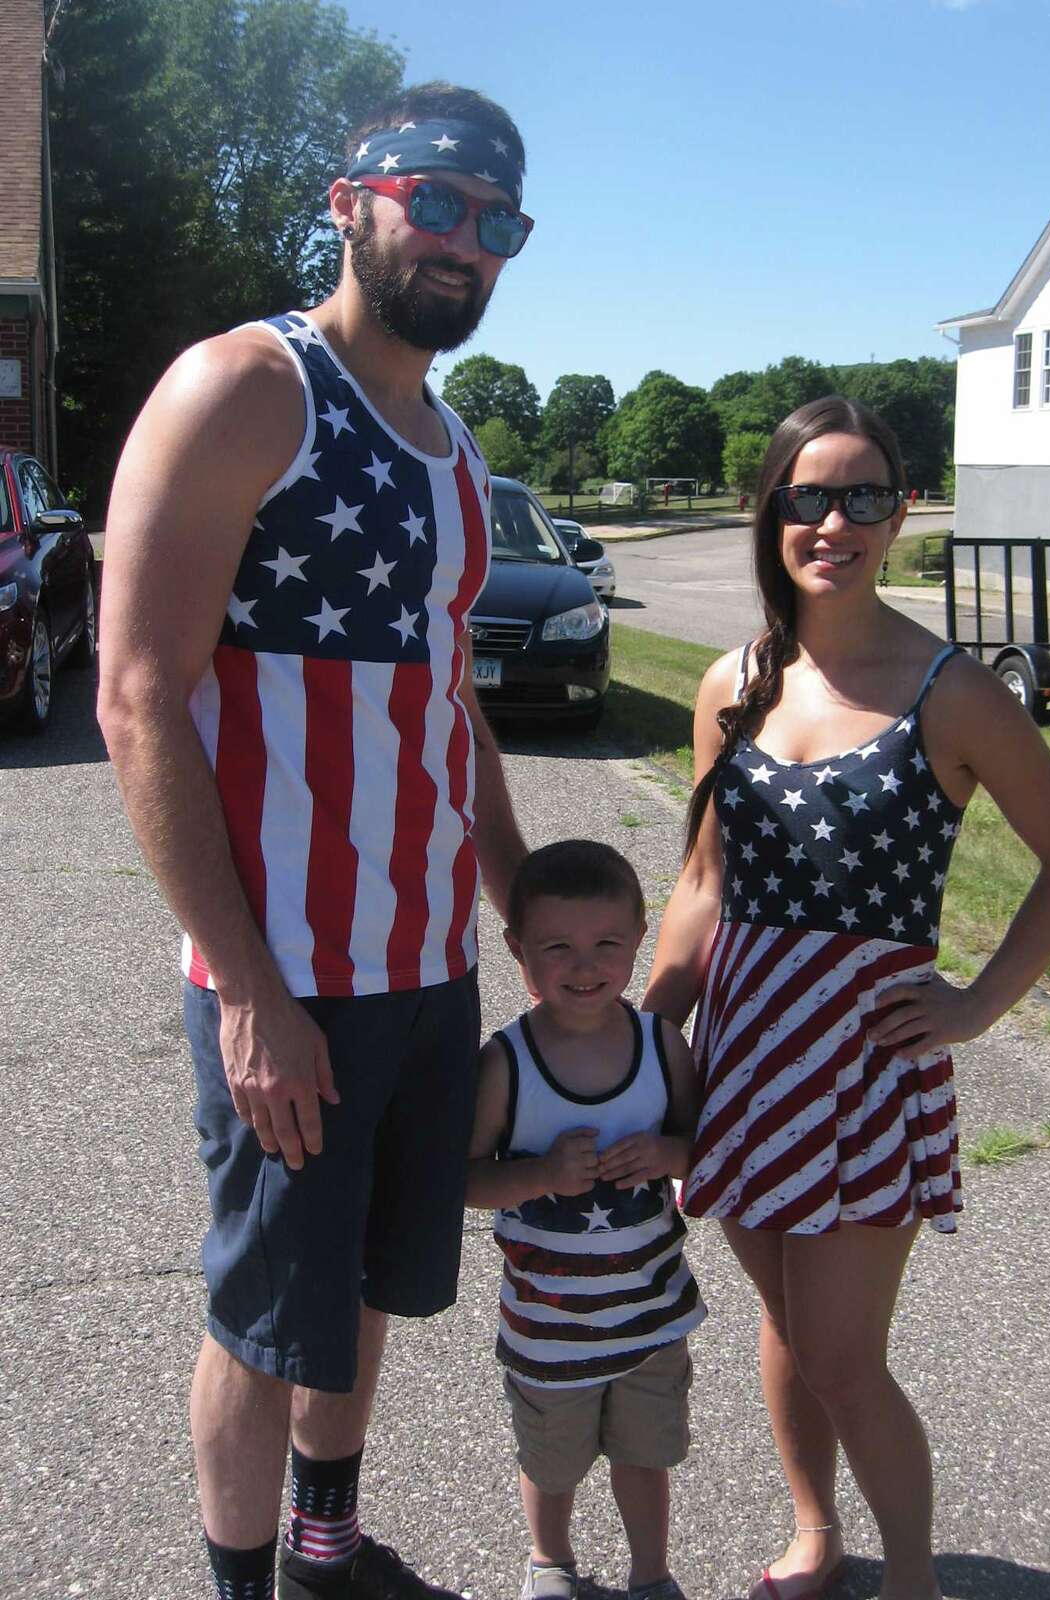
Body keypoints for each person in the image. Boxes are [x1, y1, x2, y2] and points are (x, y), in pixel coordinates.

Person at [98, 82, 534, 1600]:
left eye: (501, 223)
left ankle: (326, 1548)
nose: (469, 243)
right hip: (286, 974)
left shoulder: (457, 449)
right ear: (352, 199)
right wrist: (249, 991)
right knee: (265, 1315)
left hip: (425, 969)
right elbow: (139, 696)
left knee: (366, 1292)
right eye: (443, 202)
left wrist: (522, 890)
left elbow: (450, 701)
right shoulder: (244, 388)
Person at [643, 397, 1050, 1600]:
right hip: (744, 1052)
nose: (833, 521)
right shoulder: (732, 681)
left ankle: (912, 1580)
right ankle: (815, 1534)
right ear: (774, 511)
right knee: (791, 1329)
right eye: (809, 495)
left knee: (847, 1355)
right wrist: (649, 1036)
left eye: (862, 496)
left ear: (901, 512)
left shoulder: (951, 690)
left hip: (861, 1067)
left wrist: (975, 1008)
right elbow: (702, 881)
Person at [465, 841, 706, 1600]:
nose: (585, 966)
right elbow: (461, 1180)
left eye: (607, 944)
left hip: (651, 1319)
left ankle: (650, 1574)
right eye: (557, 948)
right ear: (518, 952)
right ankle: (550, 1563)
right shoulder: (505, 1063)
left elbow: (706, 1152)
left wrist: (667, 1152)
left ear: (641, 937)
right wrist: (539, 1174)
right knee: (552, 1462)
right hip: (549, 1326)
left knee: (645, 1457)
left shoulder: (662, 1046)